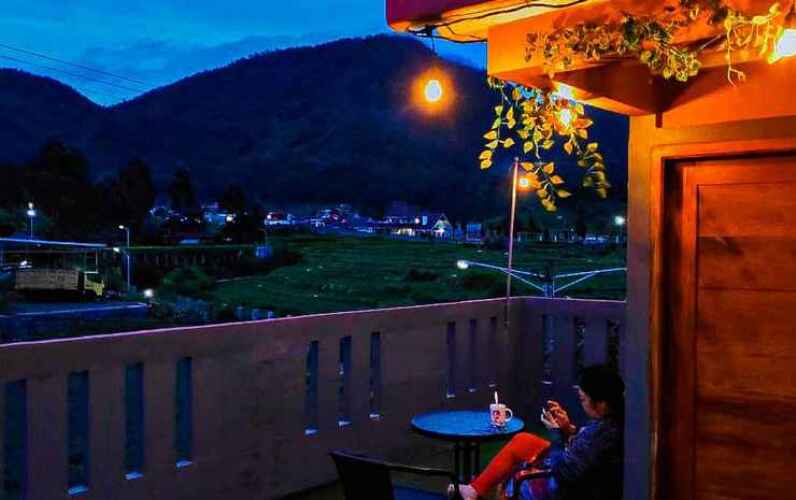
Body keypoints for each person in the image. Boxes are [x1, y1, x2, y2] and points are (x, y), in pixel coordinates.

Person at [451, 364, 624, 500]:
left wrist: (556, 433)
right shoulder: (609, 422)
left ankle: (476, 490)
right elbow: (584, 448)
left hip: (568, 482)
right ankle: (474, 489)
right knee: (523, 440)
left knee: (517, 473)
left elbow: (565, 470)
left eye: (583, 399)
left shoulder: (605, 433)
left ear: (601, 404)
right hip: (572, 461)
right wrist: (567, 429)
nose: (582, 403)